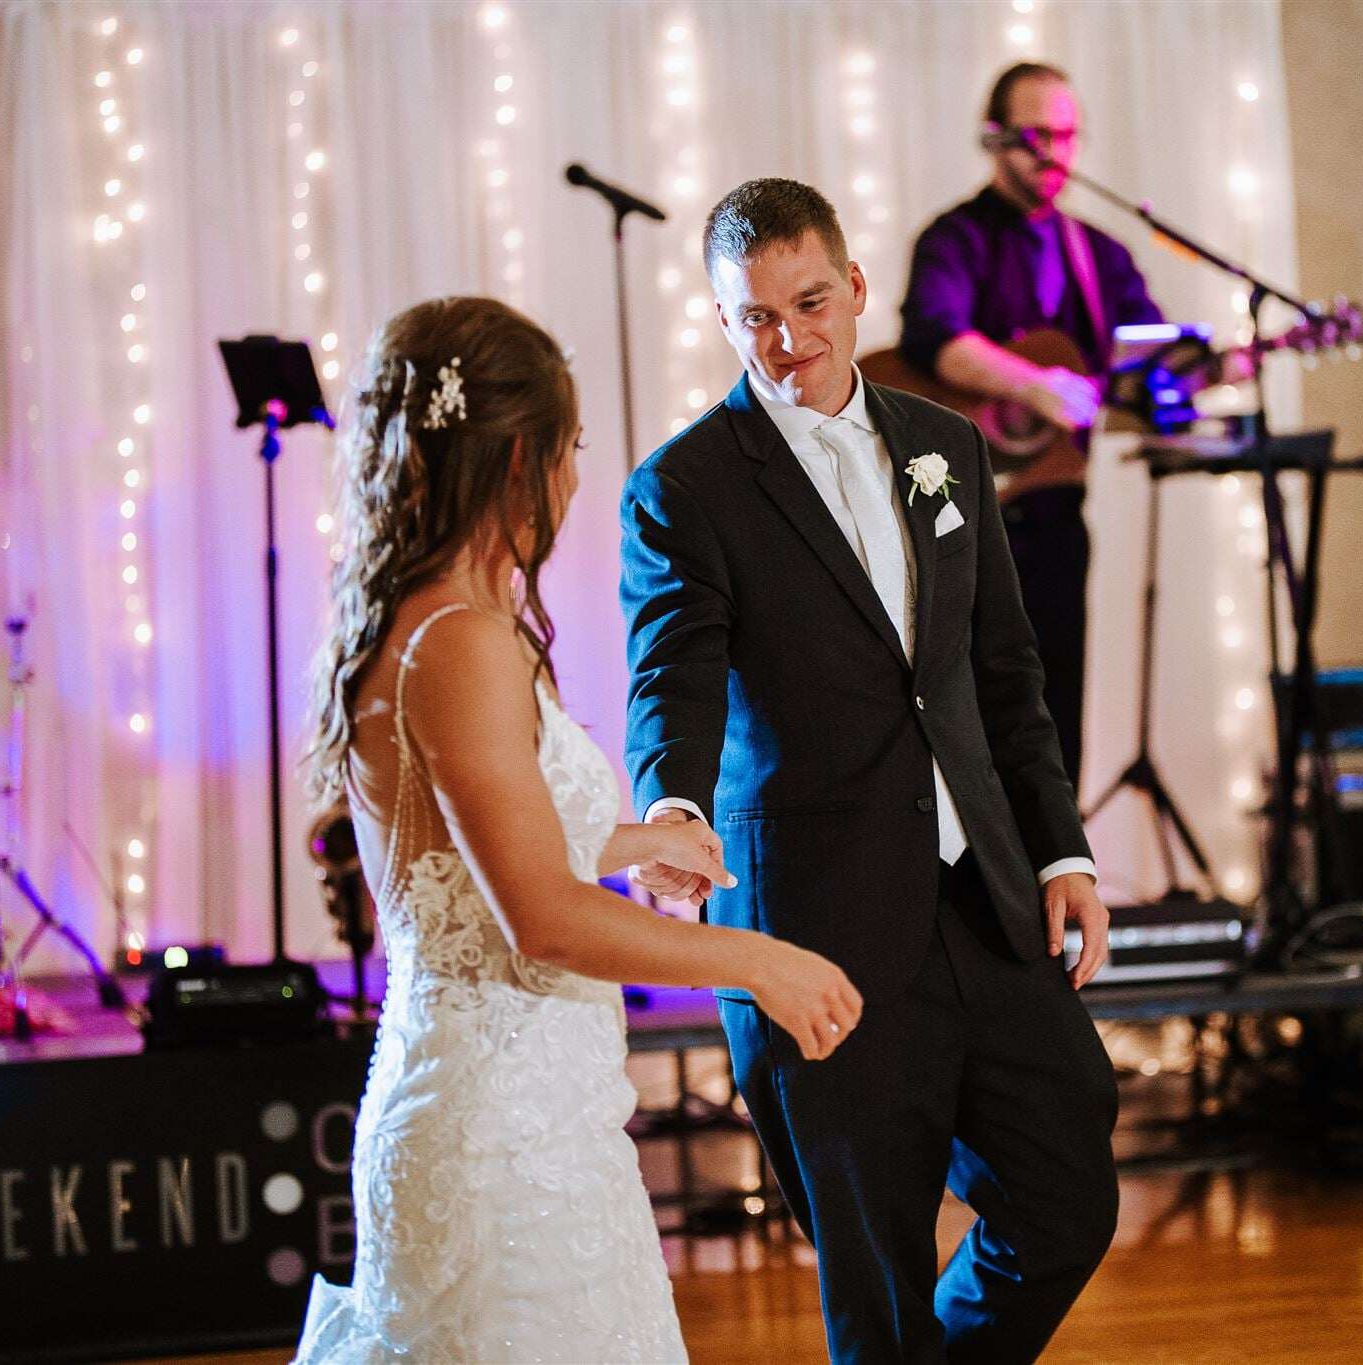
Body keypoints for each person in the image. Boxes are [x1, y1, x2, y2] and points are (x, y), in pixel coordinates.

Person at [294, 296, 862, 1364]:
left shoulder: (420, 618)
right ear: (518, 457)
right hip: (504, 1148)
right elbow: (540, 922)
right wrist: (758, 963)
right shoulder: (459, 641)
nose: (571, 480)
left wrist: (634, 845)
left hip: (497, 1116)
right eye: (568, 451)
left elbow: (459, 861)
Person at [623, 179, 1120, 1365]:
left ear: (853, 290)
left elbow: (1003, 676)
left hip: (981, 902)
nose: (787, 342)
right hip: (818, 931)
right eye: (754, 319)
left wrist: (1059, 851)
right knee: (874, 1279)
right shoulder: (684, 487)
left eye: (807, 304)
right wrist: (671, 807)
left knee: (1063, 1199)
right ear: (721, 319)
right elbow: (670, 676)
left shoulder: (946, 446)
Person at [898, 60, 1164, 785]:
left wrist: (1226, 365)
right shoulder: (954, 239)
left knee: (1049, 712)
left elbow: (1150, 363)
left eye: (1067, 136)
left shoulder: (1099, 255)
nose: (1054, 153)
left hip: (1052, 516)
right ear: (994, 138)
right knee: (962, 719)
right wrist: (1033, 384)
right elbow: (934, 337)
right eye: (1035, 135)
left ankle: (1059, 875)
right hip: (958, 520)